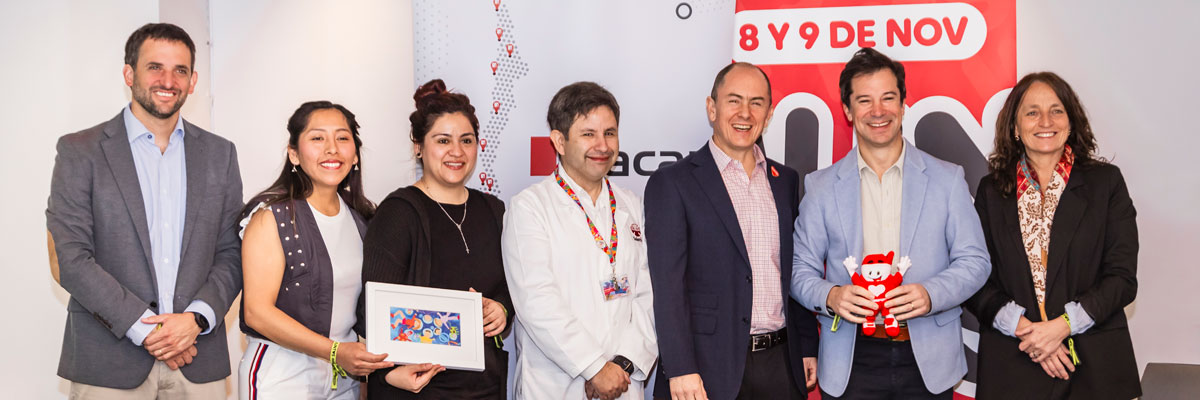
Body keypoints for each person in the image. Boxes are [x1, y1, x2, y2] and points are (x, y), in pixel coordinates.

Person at [46, 23, 242, 398]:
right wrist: (147, 329)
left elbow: (232, 252)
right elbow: (69, 258)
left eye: (180, 70)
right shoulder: (80, 151)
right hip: (108, 363)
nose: (168, 80)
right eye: (155, 67)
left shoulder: (221, 154)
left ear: (193, 81)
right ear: (129, 74)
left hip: (198, 356)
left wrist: (195, 320)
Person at [789, 47, 991, 399]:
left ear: (903, 104)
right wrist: (832, 296)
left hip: (928, 359)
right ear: (847, 110)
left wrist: (930, 294)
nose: (878, 111)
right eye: (864, 100)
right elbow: (797, 269)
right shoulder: (821, 187)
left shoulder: (947, 179)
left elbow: (975, 261)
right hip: (850, 358)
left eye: (887, 98)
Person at [644, 62, 818, 400]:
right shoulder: (673, 183)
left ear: (769, 114)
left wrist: (807, 344)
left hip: (782, 364)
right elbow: (667, 287)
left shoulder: (785, 181)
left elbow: (793, 270)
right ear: (712, 108)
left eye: (757, 103)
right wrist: (680, 367)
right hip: (706, 369)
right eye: (734, 100)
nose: (745, 113)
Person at [966, 72, 1140, 399]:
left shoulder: (1106, 183)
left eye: (1056, 111)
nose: (1045, 121)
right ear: (1015, 127)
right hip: (1013, 362)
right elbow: (974, 277)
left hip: (1095, 367)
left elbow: (1122, 278)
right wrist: (1027, 331)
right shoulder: (991, 191)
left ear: (1071, 122)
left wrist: (1062, 326)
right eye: (1032, 112)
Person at [238, 101, 407, 399]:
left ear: (355, 154)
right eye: (317, 138)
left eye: (342, 138)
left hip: (344, 377)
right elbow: (256, 312)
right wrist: (335, 352)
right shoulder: (271, 217)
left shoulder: (364, 219)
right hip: (281, 374)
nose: (332, 149)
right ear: (294, 154)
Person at [503, 82, 657, 400]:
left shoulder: (631, 205)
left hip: (623, 383)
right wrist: (594, 368)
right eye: (588, 134)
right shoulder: (530, 207)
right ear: (559, 141)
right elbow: (536, 301)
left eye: (610, 133)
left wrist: (623, 365)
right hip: (555, 385)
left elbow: (648, 296)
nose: (602, 145)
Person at [358, 79, 510, 398]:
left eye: (466, 140)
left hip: (484, 386)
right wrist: (388, 374)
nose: (457, 152)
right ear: (418, 146)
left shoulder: (493, 210)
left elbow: (512, 286)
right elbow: (372, 309)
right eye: (443, 140)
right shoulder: (399, 212)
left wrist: (502, 309)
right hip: (419, 387)